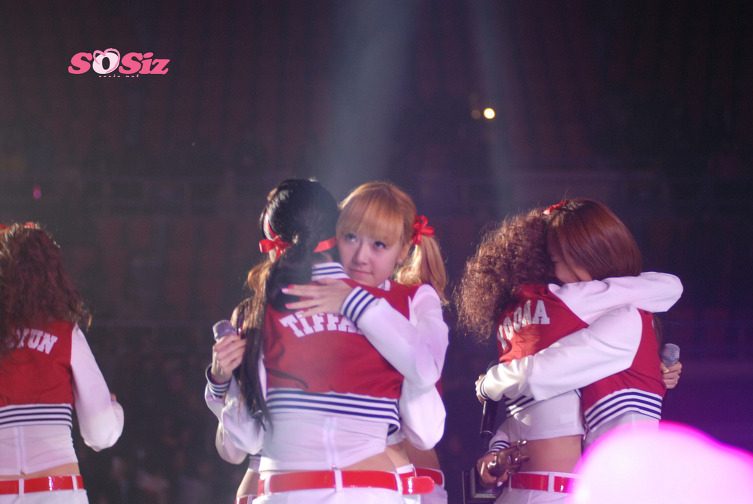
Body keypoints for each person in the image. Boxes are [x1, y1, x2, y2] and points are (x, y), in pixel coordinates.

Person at [456, 200, 683, 502]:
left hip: (583, 490)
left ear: (590, 253)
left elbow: (540, 379)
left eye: (559, 260)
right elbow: (531, 409)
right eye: (551, 261)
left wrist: (492, 382)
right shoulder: (565, 313)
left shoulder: (589, 308)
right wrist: (496, 450)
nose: (557, 272)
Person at [205, 178, 413, 503]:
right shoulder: (390, 305)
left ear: (272, 241)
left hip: (290, 489)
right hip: (378, 490)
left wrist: (220, 385)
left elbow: (241, 443)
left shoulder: (258, 314)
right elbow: (426, 427)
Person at [284, 181, 450, 504]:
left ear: (403, 251)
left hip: (400, 474)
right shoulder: (316, 290)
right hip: (312, 477)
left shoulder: (417, 298)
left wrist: (354, 303)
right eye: (351, 238)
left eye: (378, 245)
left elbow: (426, 392)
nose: (361, 257)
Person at [0, 222, 124, 504]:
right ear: (51, 275)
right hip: (58, 493)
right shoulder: (65, 335)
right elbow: (101, 433)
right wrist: (113, 409)